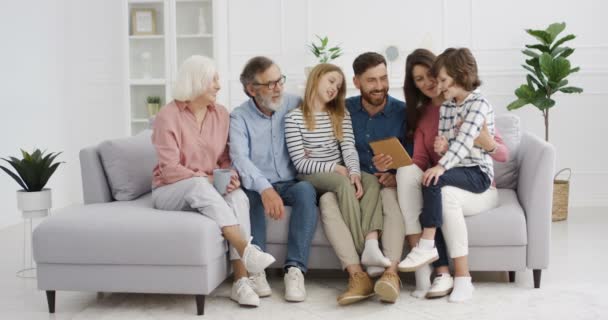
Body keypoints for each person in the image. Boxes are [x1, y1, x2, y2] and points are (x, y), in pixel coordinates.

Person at [150, 55, 275, 308]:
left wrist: (230, 178)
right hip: (170, 189)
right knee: (198, 184)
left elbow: (226, 159)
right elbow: (170, 169)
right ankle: (246, 249)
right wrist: (207, 178)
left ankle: (240, 282)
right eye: (213, 80)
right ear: (196, 82)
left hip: (208, 187)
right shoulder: (168, 116)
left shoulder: (221, 114)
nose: (218, 85)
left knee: (238, 196)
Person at [396, 47, 502, 302]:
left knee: (438, 183)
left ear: (457, 75)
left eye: (437, 78)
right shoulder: (444, 109)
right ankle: (434, 267)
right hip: (454, 173)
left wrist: (443, 164)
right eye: (419, 80)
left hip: (478, 175)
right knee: (428, 184)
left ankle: (442, 259)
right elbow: (445, 142)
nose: (434, 84)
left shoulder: (478, 104)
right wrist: (441, 149)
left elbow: (468, 141)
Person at [318, 52, 407, 304]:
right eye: (371, 80)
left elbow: (413, 158)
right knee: (326, 200)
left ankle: (390, 274)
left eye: (383, 78)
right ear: (356, 82)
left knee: (389, 197)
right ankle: (358, 276)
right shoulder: (341, 110)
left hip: (384, 184)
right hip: (350, 185)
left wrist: (395, 175)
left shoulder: (402, 112)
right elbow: (328, 147)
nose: (379, 86)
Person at [229, 56, 318, 303]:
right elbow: (240, 159)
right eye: (270, 84)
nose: (278, 88)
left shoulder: (295, 103)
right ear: (251, 89)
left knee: (306, 191)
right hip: (258, 184)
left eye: (280, 80)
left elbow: (321, 122)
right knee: (250, 198)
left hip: (291, 181)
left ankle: (295, 270)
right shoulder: (239, 117)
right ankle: (257, 271)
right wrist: (265, 188)